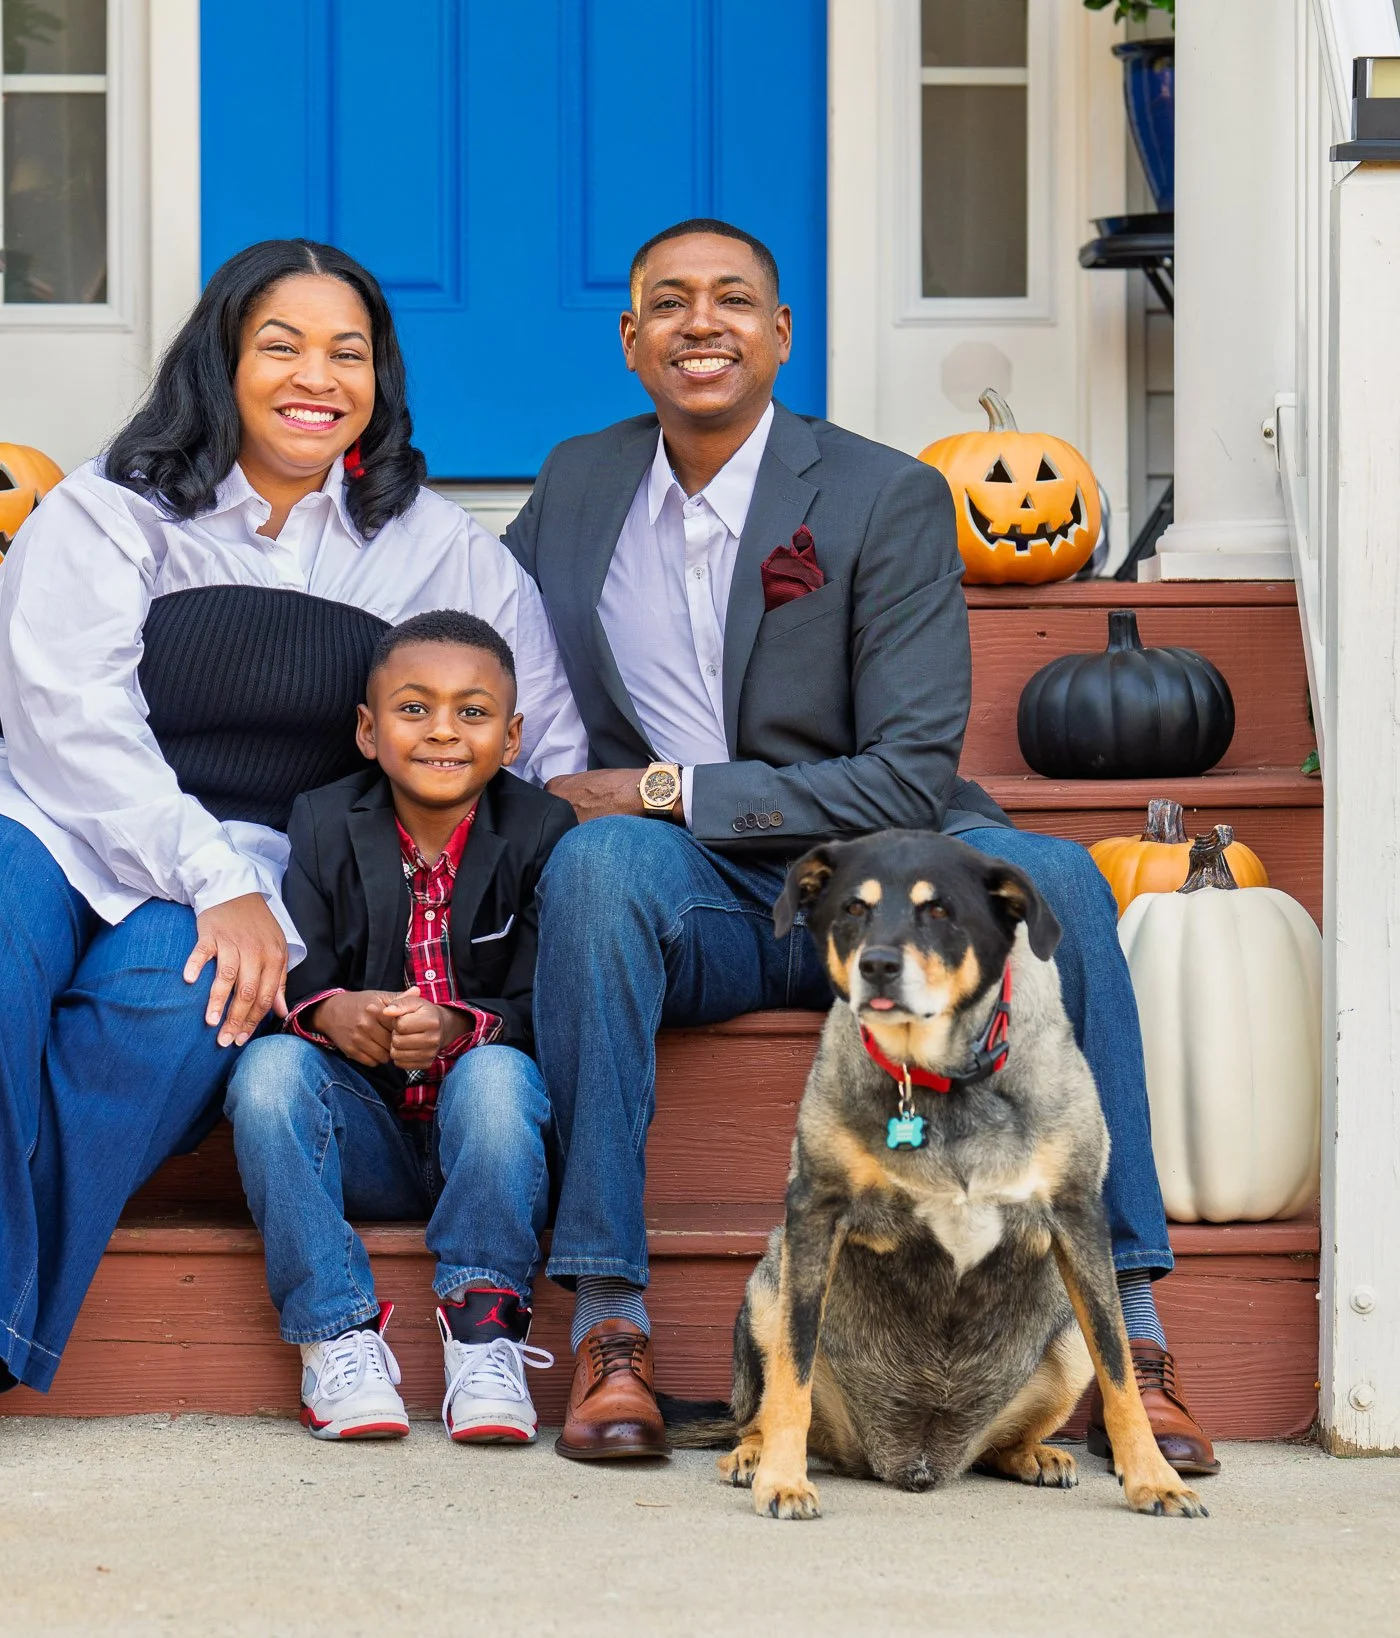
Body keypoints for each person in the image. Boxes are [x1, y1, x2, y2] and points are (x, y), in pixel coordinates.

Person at [0, 240, 586, 1468]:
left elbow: (534, 741)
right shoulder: (111, 507)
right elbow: (67, 716)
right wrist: (210, 876)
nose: (316, 378)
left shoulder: (437, 549)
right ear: (220, 361)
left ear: (380, 378)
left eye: (348, 353)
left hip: (252, 859)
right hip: (47, 808)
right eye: (280, 347)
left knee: (175, 1010)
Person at [505, 218, 1217, 1476]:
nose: (700, 323)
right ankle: (609, 1323)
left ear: (781, 333)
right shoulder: (573, 483)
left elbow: (903, 769)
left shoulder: (883, 492)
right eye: (668, 302)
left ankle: (1134, 1337)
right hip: (704, 896)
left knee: (1057, 875)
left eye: (733, 299)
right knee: (592, 870)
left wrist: (667, 786)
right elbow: (486, 636)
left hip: (889, 872)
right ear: (629, 339)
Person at [226, 610, 573, 1445]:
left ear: (513, 736)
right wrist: (330, 1012)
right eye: (414, 709)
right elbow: (300, 966)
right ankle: (336, 1335)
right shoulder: (321, 820)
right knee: (267, 1072)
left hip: (493, 1146)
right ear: (367, 730)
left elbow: (553, 1001)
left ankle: (485, 1332)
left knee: (497, 1075)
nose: (443, 731)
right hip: (370, 1138)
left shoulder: (542, 830)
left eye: (472, 712)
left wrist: (460, 1023)